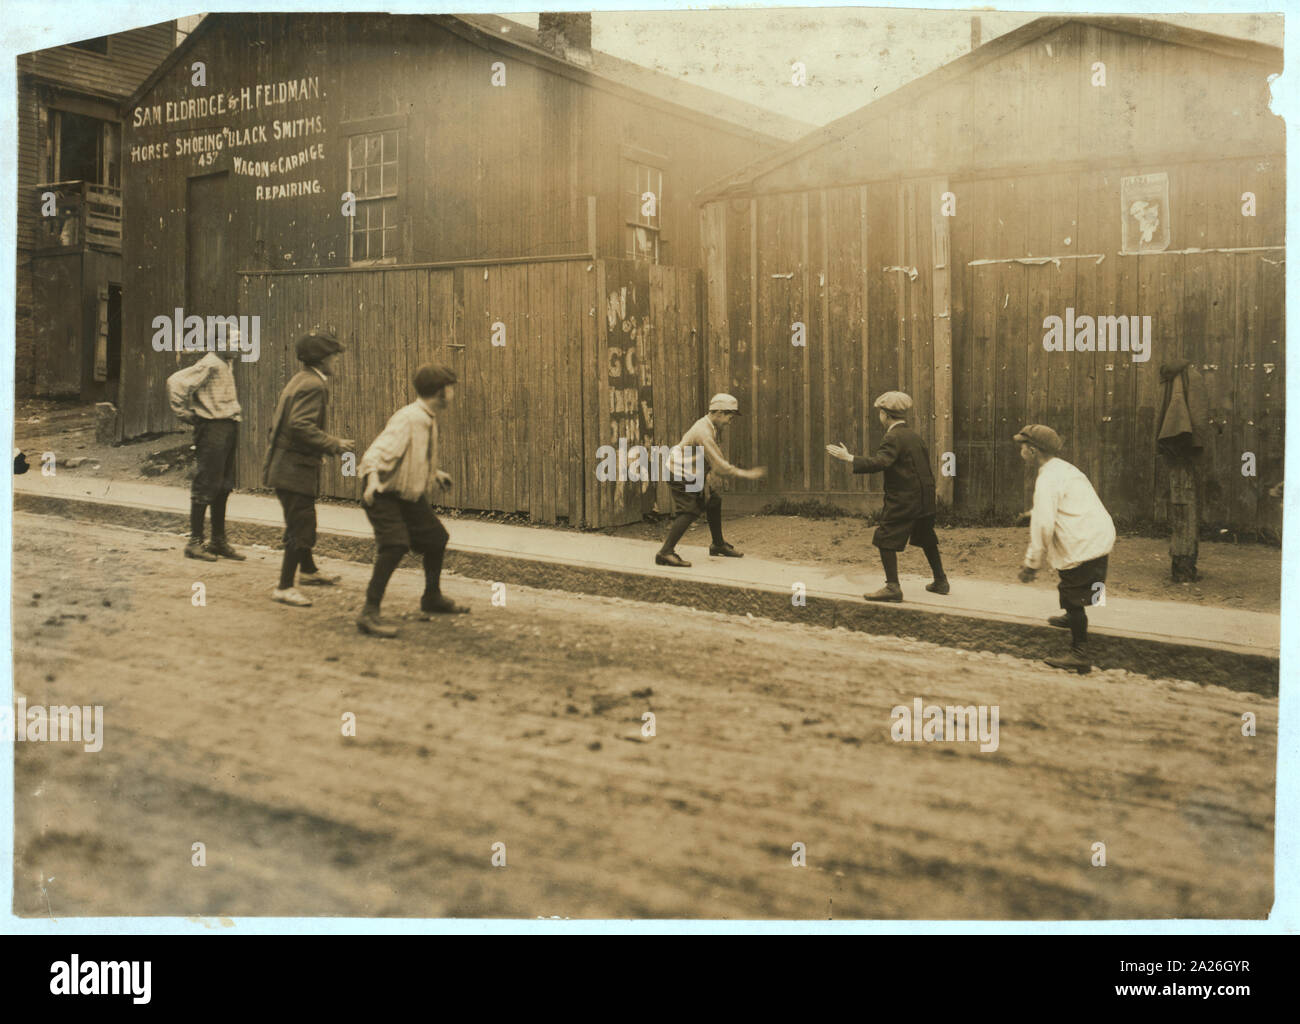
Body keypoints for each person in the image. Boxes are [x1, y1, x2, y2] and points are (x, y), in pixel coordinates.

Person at [355, 364, 469, 637]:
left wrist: (433, 473)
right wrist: (372, 483)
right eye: (450, 387)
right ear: (441, 392)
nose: (453, 392)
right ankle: (369, 612)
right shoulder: (409, 418)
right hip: (383, 493)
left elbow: (411, 455)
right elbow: (375, 454)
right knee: (394, 545)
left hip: (407, 495)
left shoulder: (426, 417)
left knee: (436, 539)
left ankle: (432, 597)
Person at [262, 327, 356, 607]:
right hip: (294, 469)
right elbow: (299, 425)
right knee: (301, 525)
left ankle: (309, 571)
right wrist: (333, 443)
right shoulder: (314, 385)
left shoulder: (300, 379)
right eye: (333, 356)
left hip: (285, 466)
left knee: (298, 520)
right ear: (321, 359)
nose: (336, 361)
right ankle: (285, 587)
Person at [1013, 424, 1116, 674]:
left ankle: (1079, 653)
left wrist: (1032, 563)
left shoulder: (1047, 478)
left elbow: (1044, 526)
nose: (1021, 451)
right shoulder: (1065, 468)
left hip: (1082, 541)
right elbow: (1069, 501)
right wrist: (1033, 513)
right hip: (1098, 535)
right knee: (1077, 586)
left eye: (1023, 446)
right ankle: (1072, 615)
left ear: (1034, 450)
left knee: (1073, 592)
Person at [826, 391, 947, 602]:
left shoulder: (892, 437)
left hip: (905, 498)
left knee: (884, 537)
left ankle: (892, 587)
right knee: (926, 537)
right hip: (925, 498)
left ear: (885, 414)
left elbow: (881, 462)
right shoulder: (913, 436)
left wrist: (849, 457)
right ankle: (941, 581)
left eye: (880, 413)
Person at [655, 393, 766, 567]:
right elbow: (718, 463)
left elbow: (709, 457)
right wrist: (746, 474)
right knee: (690, 510)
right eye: (730, 415)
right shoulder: (704, 432)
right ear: (719, 412)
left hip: (692, 470)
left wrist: (708, 475)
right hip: (679, 471)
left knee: (714, 500)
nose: (730, 420)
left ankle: (718, 544)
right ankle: (665, 553)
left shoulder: (712, 426)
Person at [166, 324, 245, 562]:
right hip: (212, 429)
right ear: (221, 344)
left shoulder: (225, 363)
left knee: (223, 484)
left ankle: (218, 541)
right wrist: (185, 414)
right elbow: (176, 383)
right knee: (206, 483)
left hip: (228, 427)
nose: (240, 347)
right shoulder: (210, 363)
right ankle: (195, 542)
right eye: (235, 341)